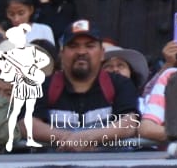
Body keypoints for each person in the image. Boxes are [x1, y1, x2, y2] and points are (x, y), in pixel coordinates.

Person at [30, 19, 140, 150]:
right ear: (61, 53)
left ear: (102, 54)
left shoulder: (119, 83)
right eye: (73, 46)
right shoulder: (41, 86)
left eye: (89, 46)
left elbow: (129, 123)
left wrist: (86, 138)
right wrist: (68, 138)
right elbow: (27, 124)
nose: (81, 52)